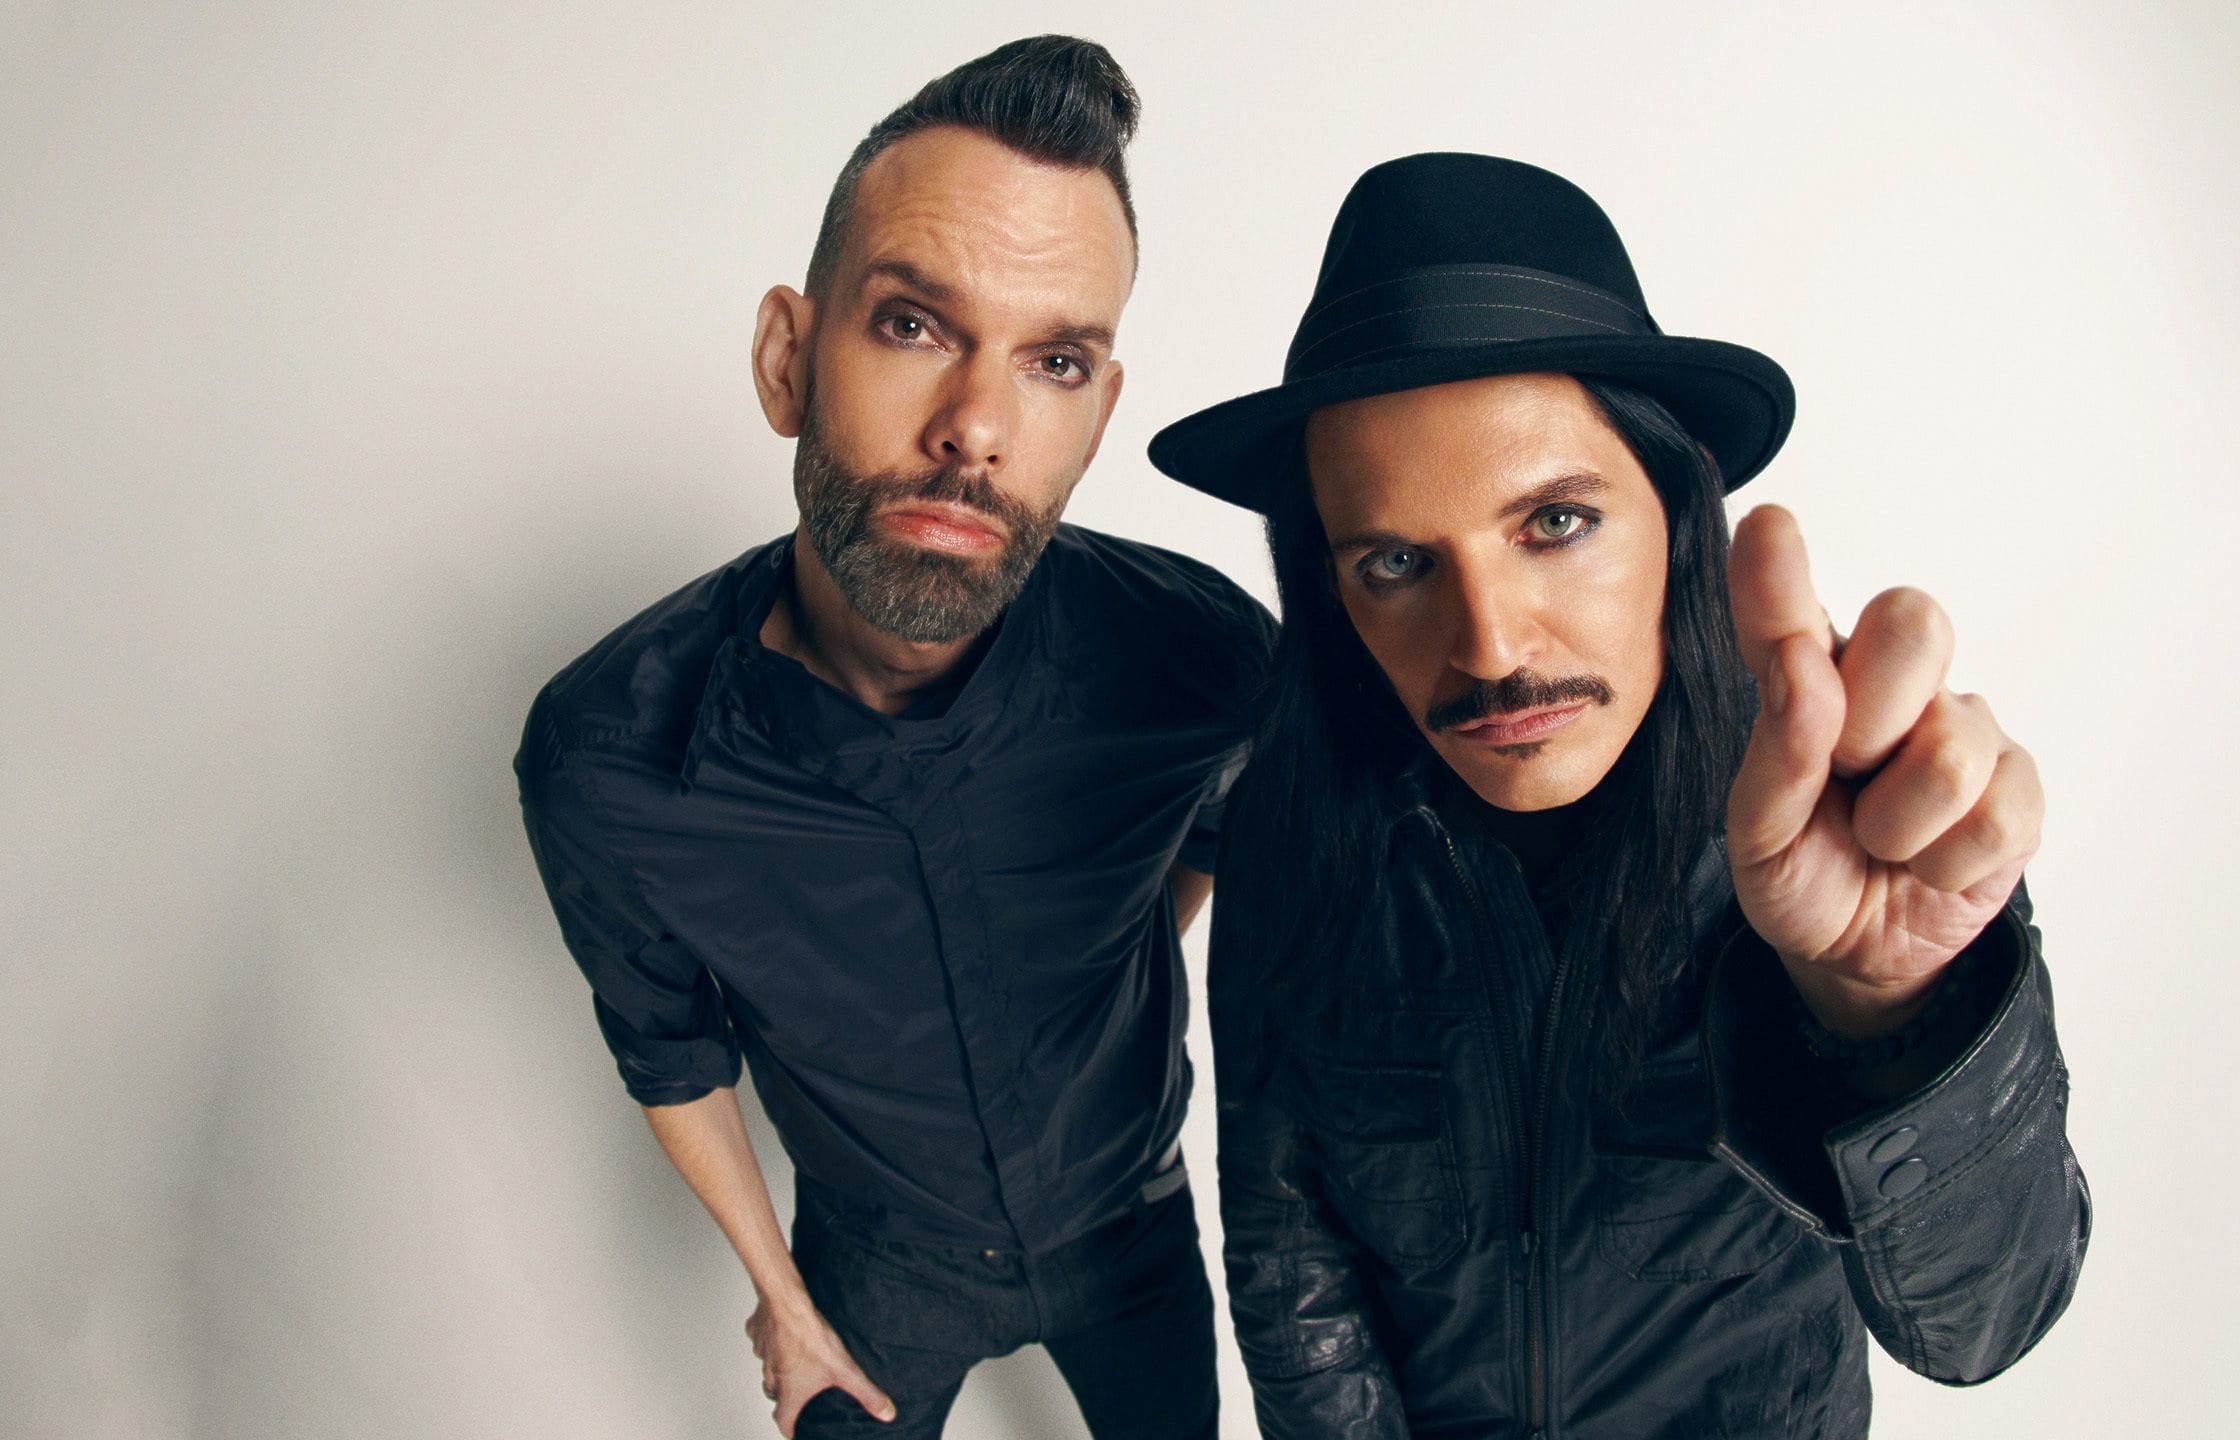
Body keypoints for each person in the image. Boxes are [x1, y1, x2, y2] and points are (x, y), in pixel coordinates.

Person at [1148, 152, 2089, 1438]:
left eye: (1553, 524)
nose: (1489, 647)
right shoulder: (1290, 819)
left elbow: (1980, 1329)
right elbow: (1286, 1247)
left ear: (1679, 502)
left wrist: (1884, 1009)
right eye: (1397, 563)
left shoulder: (1843, 818)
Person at [514, 37, 1262, 1440]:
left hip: (1136, 1232)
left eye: (1054, 360)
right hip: (876, 1272)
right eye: (913, 325)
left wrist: (1089, 965)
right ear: (788, 360)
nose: (977, 428)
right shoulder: (611, 755)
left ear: (1098, 415)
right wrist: (782, 1298)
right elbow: (670, 1051)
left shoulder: (1204, 659)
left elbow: (1214, 829)